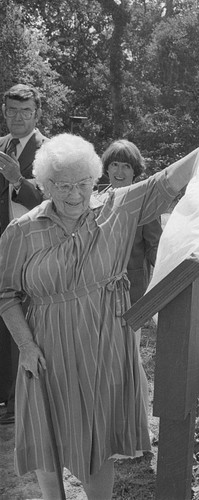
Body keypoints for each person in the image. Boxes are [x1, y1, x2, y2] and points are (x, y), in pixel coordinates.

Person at [0, 133, 198, 499]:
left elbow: (165, 181)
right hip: (46, 348)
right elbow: (6, 294)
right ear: (44, 185)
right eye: (62, 186)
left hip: (103, 341)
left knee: (97, 438)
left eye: (83, 184)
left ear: (96, 179)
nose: (74, 195)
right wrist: (25, 346)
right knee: (47, 435)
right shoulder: (21, 231)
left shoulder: (118, 209)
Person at [99, 139, 163, 421]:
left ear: (135, 170)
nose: (120, 171)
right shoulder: (96, 196)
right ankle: (111, 419)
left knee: (128, 356)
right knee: (104, 358)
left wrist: (166, 271)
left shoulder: (144, 200)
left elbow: (153, 247)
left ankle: (139, 421)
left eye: (126, 165)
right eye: (114, 164)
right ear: (106, 168)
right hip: (97, 292)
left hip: (131, 294)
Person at [0, 83, 47, 425]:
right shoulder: (0, 146)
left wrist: (19, 180)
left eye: (25, 111)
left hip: (31, 252)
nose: (18, 117)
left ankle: (22, 403)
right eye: (12, 110)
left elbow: (51, 201)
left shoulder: (50, 151)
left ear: (37, 114)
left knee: (23, 322)